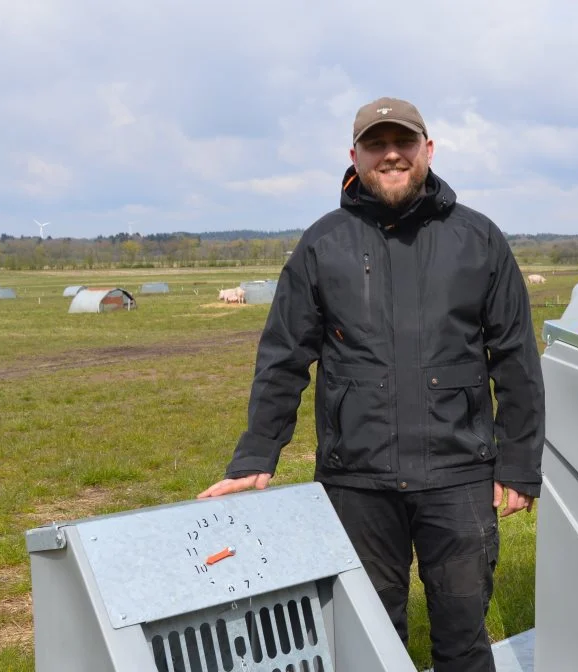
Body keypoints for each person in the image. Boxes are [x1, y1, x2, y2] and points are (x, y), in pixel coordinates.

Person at [198, 96, 545, 672]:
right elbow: (284, 355)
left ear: (427, 151)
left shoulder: (479, 240)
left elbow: (515, 359)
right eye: (376, 144)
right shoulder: (322, 244)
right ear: (354, 156)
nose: (391, 155)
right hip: (356, 480)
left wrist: (519, 463)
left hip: (457, 477)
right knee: (366, 638)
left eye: (403, 143)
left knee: (462, 638)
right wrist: (257, 453)